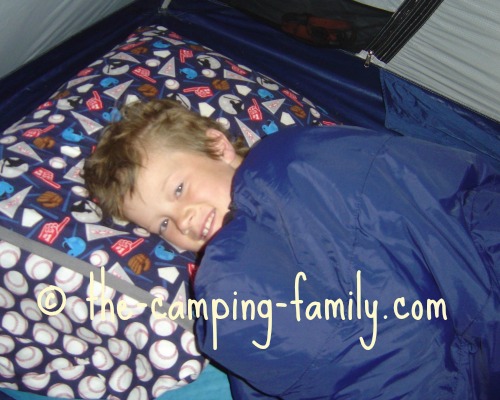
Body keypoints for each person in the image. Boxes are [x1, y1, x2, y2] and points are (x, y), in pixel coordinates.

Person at [84, 98, 500, 399]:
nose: (184, 220)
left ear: (218, 147)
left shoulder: (298, 161)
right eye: (162, 224)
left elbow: (418, 195)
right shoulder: (223, 283)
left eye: (179, 189)